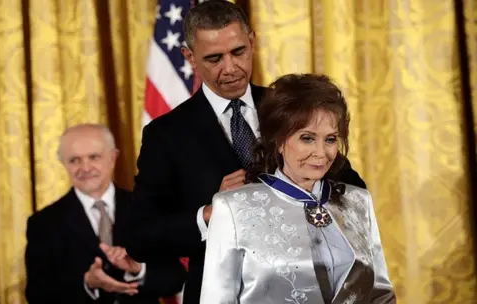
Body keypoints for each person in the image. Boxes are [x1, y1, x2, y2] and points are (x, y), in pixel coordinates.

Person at [126, 1, 366, 303]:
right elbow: (139, 236)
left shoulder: (291, 110)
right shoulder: (166, 134)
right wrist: (210, 214)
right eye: (214, 58)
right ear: (190, 57)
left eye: (238, 52)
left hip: (308, 290)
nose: (230, 68)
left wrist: (299, 188)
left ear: (251, 41)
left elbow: (355, 191)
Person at [200, 74, 396, 304]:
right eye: (307, 138)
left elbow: (380, 294)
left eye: (331, 139)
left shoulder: (357, 201)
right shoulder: (233, 208)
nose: (321, 153)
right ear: (279, 140)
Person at [24, 124, 186, 304]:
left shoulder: (147, 208)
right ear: (63, 163)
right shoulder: (43, 223)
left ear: (113, 158)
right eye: (74, 160)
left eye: (94, 157)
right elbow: (37, 295)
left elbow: (175, 279)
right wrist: (87, 283)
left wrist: (138, 269)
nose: (85, 168)